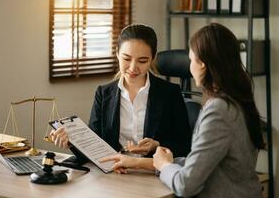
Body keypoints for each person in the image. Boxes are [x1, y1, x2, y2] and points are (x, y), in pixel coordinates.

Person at [101, 23, 264, 197]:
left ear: (201, 64)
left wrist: (164, 165)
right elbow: (198, 163)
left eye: (191, 59)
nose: (190, 67)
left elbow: (185, 185)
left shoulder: (218, 111)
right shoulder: (237, 100)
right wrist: (144, 163)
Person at [50, 24, 191, 161]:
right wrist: (71, 141)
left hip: (153, 172)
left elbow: (185, 147)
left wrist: (157, 146)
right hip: (114, 171)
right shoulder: (104, 94)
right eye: (126, 59)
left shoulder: (170, 93)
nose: (133, 67)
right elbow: (93, 146)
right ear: (117, 53)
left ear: (153, 59)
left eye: (142, 61)